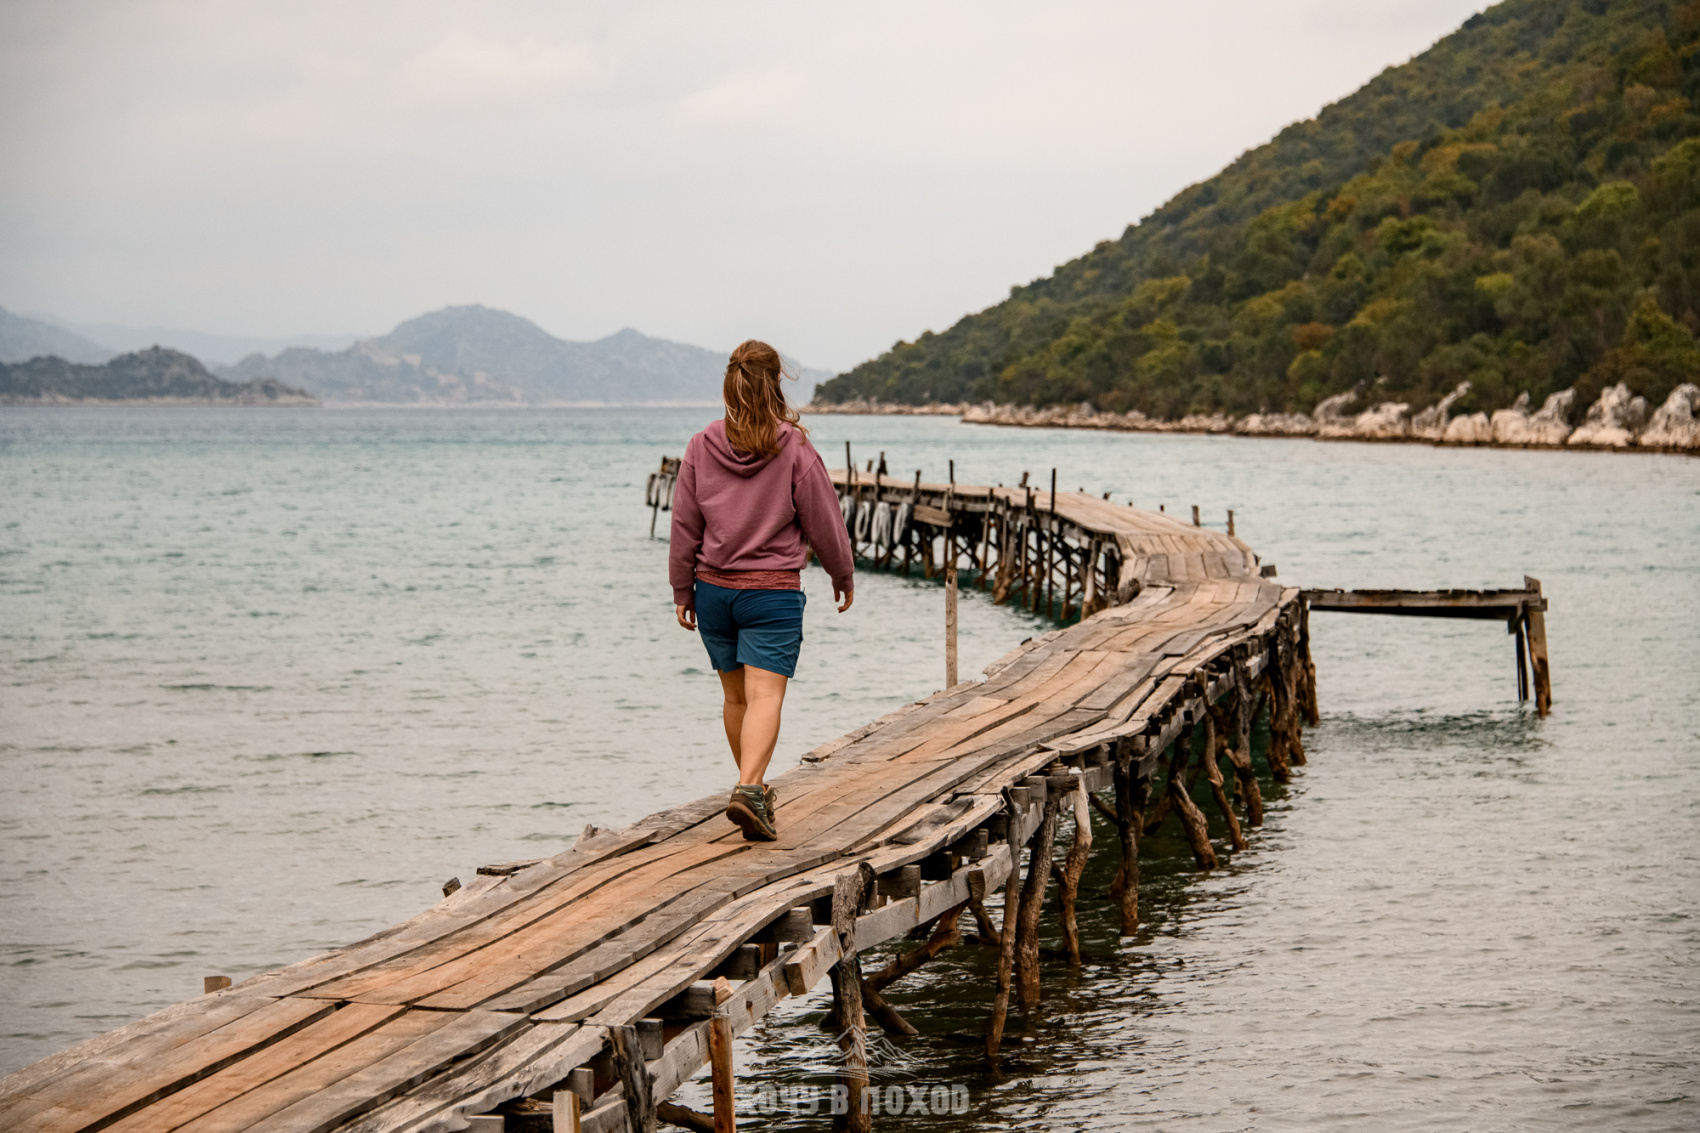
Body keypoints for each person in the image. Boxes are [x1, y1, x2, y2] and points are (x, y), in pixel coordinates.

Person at [669, 340, 855, 841]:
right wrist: (842, 573)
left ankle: (753, 793)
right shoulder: (792, 446)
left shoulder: (701, 444)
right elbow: (823, 518)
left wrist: (680, 588)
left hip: (712, 590)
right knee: (766, 694)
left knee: (736, 699)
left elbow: (684, 524)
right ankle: (750, 789)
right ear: (775, 383)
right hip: (770, 591)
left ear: (729, 383)